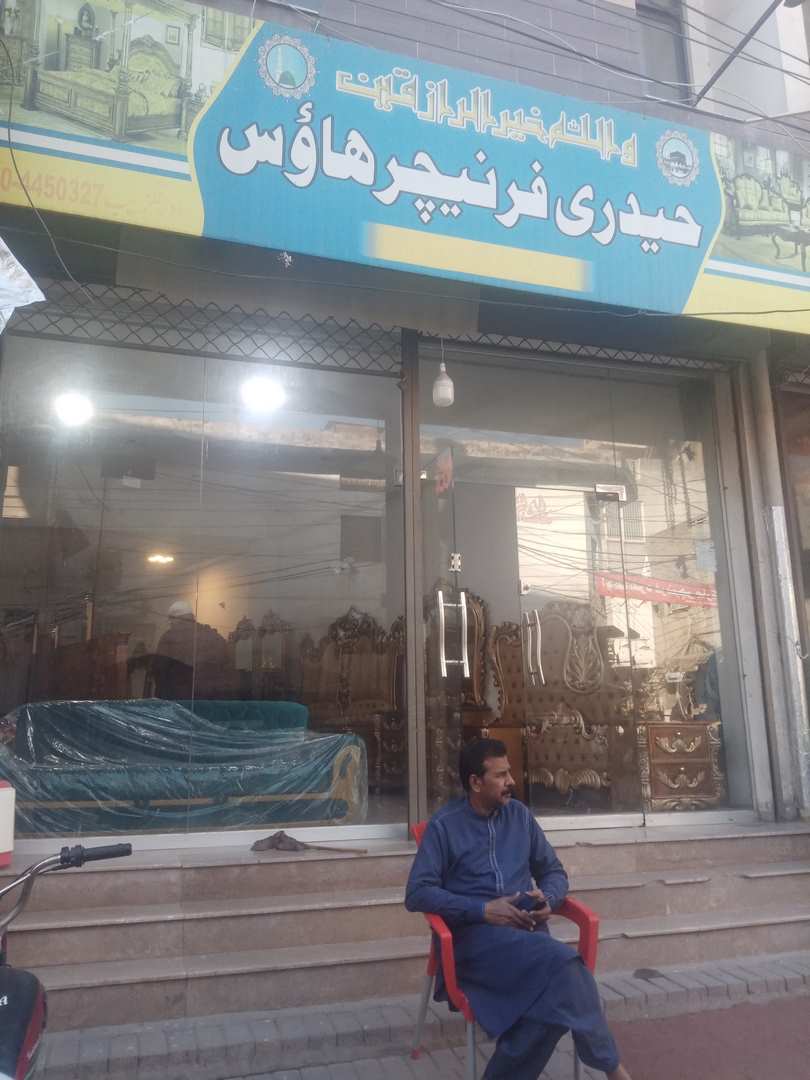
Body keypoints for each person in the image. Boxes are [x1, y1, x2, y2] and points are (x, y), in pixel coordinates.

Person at [405, 737, 633, 1080]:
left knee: (553, 1000)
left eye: (509, 772)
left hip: (528, 936)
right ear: (475, 782)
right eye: (501, 775)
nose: (511, 781)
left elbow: (553, 871)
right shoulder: (445, 825)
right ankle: (614, 1070)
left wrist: (549, 899)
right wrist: (482, 910)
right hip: (477, 945)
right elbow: (417, 893)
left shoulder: (520, 816)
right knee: (566, 969)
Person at [148, 601, 232, 699]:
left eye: (171, 620)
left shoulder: (168, 637)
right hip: (208, 697)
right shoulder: (213, 636)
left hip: (178, 698)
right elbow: (226, 664)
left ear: (176, 618)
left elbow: (159, 669)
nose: (170, 624)